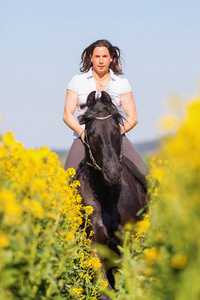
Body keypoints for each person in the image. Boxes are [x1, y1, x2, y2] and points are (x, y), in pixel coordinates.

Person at [63, 39, 149, 189]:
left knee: (145, 175)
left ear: (111, 58)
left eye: (104, 56)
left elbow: (133, 117)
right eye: (97, 56)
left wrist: (116, 133)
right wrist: (83, 134)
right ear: (91, 58)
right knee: (64, 182)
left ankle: (154, 208)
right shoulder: (77, 81)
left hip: (116, 139)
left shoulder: (121, 84)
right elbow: (67, 115)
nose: (101, 61)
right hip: (83, 138)